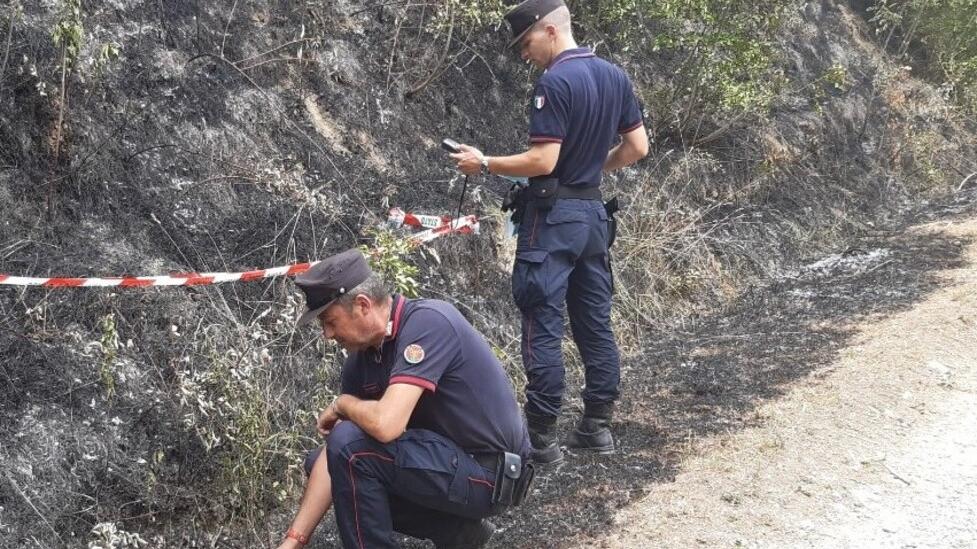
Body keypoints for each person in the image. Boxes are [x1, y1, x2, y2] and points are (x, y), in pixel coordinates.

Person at [450, 0, 649, 464]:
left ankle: (541, 439)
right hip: (594, 215)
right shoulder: (615, 76)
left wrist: (484, 163)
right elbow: (637, 147)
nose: (524, 54)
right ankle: (597, 426)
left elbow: (542, 161)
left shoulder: (555, 81)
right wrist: (593, 170)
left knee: (542, 320)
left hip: (554, 220)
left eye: (526, 43)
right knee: (594, 321)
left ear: (550, 31)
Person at [277, 248, 532, 549]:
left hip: (492, 474)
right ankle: (457, 532)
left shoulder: (428, 323)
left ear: (362, 305)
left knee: (350, 447)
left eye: (330, 321)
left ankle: (454, 528)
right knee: (328, 459)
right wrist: (292, 541)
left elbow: (385, 426)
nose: (327, 334)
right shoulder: (360, 362)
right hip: (447, 465)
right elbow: (337, 455)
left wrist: (341, 404)